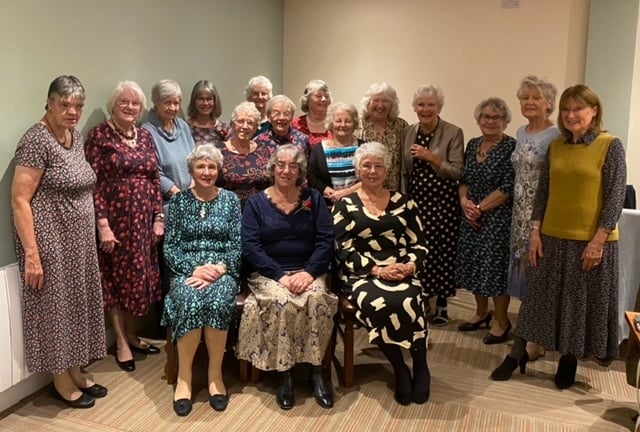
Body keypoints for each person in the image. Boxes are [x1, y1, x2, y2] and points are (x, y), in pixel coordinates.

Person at [491, 85, 626, 389]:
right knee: (536, 300)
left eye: (578, 109)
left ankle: (568, 359)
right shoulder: (557, 146)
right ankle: (515, 355)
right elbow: (543, 193)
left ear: (594, 111)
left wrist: (598, 240)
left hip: (591, 241)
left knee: (575, 305)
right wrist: (535, 232)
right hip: (551, 236)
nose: (571, 115)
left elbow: (615, 196)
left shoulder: (610, 145)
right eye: (566, 109)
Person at [11, 75, 107, 408]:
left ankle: (76, 369)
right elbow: (20, 200)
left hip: (78, 243)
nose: (72, 111)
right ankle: (61, 379)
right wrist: (32, 255)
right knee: (56, 310)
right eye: (64, 104)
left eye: (78, 105)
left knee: (77, 306)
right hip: (50, 242)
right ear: (49, 102)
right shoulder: (35, 140)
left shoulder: (74, 137)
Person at [237, 144, 336, 410]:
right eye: (281, 164)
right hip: (269, 273)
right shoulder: (256, 203)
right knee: (282, 301)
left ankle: (317, 371)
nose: (286, 170)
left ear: (301, 170)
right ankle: (286, 374)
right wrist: (280, 276)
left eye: (293, 165)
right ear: (272, 168)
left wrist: (309, 272)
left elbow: (326, 241)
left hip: (308, 270)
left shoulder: (313, 199)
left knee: (316, 299)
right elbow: (251, 246)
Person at [333, 142, 430, 406]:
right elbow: (342, 249)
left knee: (410, 298)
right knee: (381, 303)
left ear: (387, 170)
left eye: (378, 166)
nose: (373, 171)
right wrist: (377, 270)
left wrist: (409, 266)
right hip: (362, 273)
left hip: (400, 269)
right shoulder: (345, 205)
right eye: (367, 166)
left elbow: (419, 243)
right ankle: (399, 366)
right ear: (358, 170)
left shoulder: (405, 202)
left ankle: (421, 364)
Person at [85, 81, 164, 373]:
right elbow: (91, 183)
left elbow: (155, 178)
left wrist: (158, 217)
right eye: (124, 103)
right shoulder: (99, 136)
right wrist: (102, 224)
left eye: (135, 103)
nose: (131, 108)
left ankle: (132, 334)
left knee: (136, 278)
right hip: (115, 220)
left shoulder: (144, 136)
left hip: (143, 221)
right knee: (116, 280)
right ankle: (120, 340)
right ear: (113, 106)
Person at [162, 144, 242, 416]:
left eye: (212, 167)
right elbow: (170, 246)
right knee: (190, 300)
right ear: (191, 170)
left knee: (219, 301)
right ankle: (184, 379)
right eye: (201, 166)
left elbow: (237, 244)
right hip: (188, 272)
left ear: (219, 170)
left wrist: (220, 268)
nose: (207, 172)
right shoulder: (179, 202)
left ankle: (214, 376)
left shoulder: (231, 200)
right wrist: (194, 269)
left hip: (222, 269)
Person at [401, 84, 464, 326]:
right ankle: (423, 298)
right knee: (419, 250)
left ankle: (442, 303)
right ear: (414, 107)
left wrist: (432, 158)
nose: (425, 109)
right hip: (417, 201)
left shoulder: (453, 132)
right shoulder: (409, 131)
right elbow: (404, 171)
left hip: (444, 203)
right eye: (421, 104)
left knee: (442, 252)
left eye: (430, 105)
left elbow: (457, 171)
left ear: (439, 107)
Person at [506, 75, 560, 360]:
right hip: (519, 212)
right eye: (525, 97)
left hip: (543, 213)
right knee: (525, 273)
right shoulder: (521, 132)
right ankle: (527, 327)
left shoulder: (557, 135)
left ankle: (537, 338)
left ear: (549, 103)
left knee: (540, 273)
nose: (529, 102)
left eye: (535, 97)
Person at [455, 97, 516, 345]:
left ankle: (502, 321)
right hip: (471, 214)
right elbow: (464, 179)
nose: (490, 121)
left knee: (495, 269)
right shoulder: (472, 144)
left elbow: (508, 187)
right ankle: (481, 312)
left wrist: (479, 208)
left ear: (505, 121)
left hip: (497, 217)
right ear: (478, 119)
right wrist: (464, 203)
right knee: (473, 264)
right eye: (486, 117)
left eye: (496, 118)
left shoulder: (512, 147)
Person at [143, 79, 196, 211]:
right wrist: (180, 196)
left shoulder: (183, 126)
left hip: (192, 198)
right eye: (167, 102)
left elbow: (196, 159)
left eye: (176, 103)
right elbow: (154, 172)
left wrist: (192, 191)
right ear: (156, 102)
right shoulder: (146, 132)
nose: (173, 108)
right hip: (166, 206)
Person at [217, 101, 272, 208]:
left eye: (250, 123)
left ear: (256, 127)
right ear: (232, 124)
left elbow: (270, 185)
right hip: (226, 211)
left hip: (258, 212)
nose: (245, 126)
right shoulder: (219, 151)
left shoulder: (263, 151)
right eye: (241, 121)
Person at [308, 102, 363, 206]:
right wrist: (327, 191)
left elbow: (369, 177)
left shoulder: (364, 148)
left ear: (354, 124)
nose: (343, 125)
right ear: (331, 123)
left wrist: (347, 192)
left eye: (348, 121)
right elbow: (311, 176)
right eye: (338, 121)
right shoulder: (318, 149)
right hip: (327, 206)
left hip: (359, 206)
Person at [357, 82, 408, 191]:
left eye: (385, 101)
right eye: (375, 100)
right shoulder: (357, 126)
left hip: (394, 191)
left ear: (392, 105)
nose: (380, 105)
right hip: (365, 190)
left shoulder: (401, 126)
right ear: (367, 103)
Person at [254, 94, 310, 160]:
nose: (281, 118)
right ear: (269, 116)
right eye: (276, 113)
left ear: (292, 116)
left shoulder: (303, 140)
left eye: (287, 113)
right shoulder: (259, 142)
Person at [187, 80, 230, 147]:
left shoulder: (224, 128)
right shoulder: (184, 128)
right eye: (201, 99)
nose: (205, 103)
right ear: (194, 101)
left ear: (215, 101)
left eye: (209, 99)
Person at [291, 79, 332, 148]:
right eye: (319, 96)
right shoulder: (296, 125)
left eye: (326, 96)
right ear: (307, 100)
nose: (323, 99)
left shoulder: (335, 123)